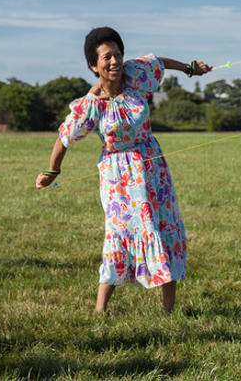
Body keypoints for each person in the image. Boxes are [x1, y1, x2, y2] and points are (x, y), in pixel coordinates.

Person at [35, 27, 211, 313]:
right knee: (119, 234)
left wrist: (190, 68)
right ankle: (99, 310)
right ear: (94, 65)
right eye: (106, 57)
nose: (114, 61)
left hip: (152, 167)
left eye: (117, 54)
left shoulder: (136, 75)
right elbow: (64, 137)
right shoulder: (91, 105)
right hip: (117, 175)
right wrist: (52, 171)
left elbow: (159, 61)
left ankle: (169, 311)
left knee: (163, 228)